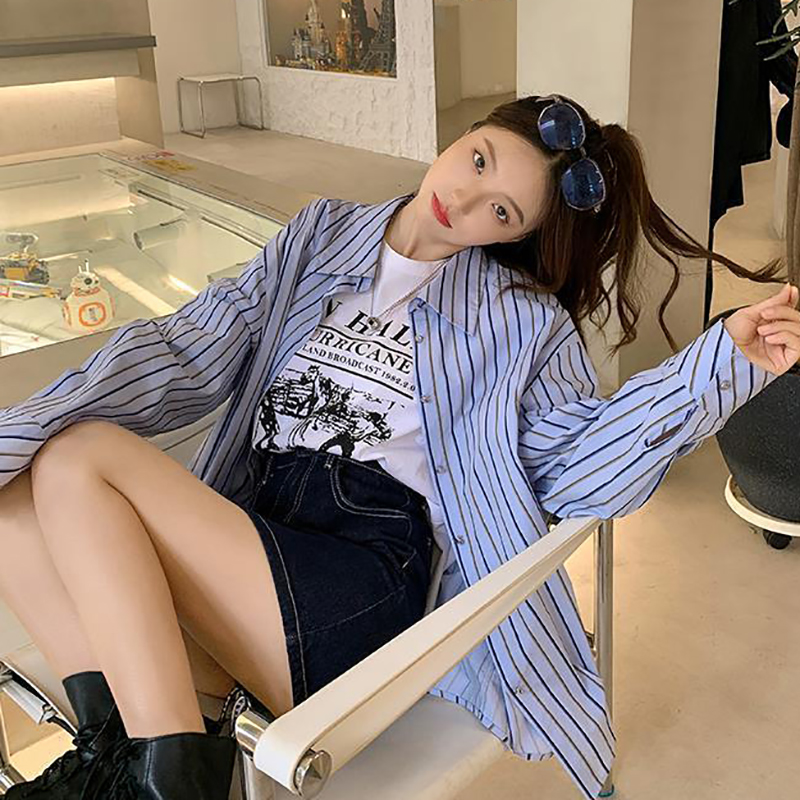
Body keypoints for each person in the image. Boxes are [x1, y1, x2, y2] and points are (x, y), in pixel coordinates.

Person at [0, 93, 797, 800]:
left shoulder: (521, 321)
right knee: (17, 492)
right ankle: (125, 755)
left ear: (514, 236)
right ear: (464, 134)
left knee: (80, 456)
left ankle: (169, 777)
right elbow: (187, 349)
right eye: (478, 160)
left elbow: (576, 466)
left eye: (501, 212)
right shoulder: (319, 236)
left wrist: (714, 368)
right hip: (253, 541)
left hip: (357, 580)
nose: (465, 199)